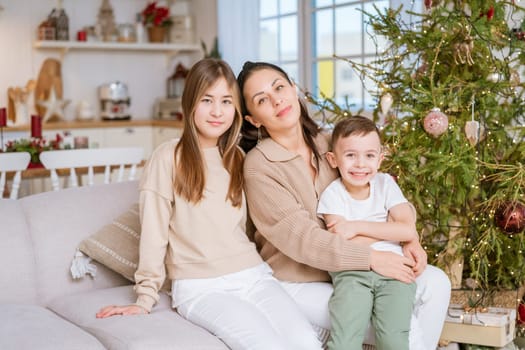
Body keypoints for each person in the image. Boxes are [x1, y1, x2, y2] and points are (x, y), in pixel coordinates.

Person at [96, 58, 323, 350]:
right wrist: (145, 297)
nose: (217, 111)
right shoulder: (168, 158)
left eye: (227, 101)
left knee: (306, 342)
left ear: (238, 110)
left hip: (255, 277)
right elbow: (154, 233)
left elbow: (250, 227)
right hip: (201, 287)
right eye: (207, 100)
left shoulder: (239, 158)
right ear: (190, 103)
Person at [237, 61, 451, 350]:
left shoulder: (330, 142)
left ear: (293, 88)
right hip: (302, 281)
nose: (276, 100)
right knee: (403, 330)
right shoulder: (259, 166)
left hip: (353, 269)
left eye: (279, 87)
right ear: (254, 120)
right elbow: (305, 239)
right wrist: (373, 258)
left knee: (436, 283)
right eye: (262, 99)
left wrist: (409, 238)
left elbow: (382, 188)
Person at [317, 116, 418, 350]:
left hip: (395, 271)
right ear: (333, 159)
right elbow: (343, 245)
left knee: (393, 339)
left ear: (380, 159)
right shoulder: (333, 196)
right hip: (352, 273)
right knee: (344, 340)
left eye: (369, 155)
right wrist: (388, 231)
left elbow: (407, 229)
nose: (361, 164)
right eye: (351, 155)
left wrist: (356, 227)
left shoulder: (385, 185)